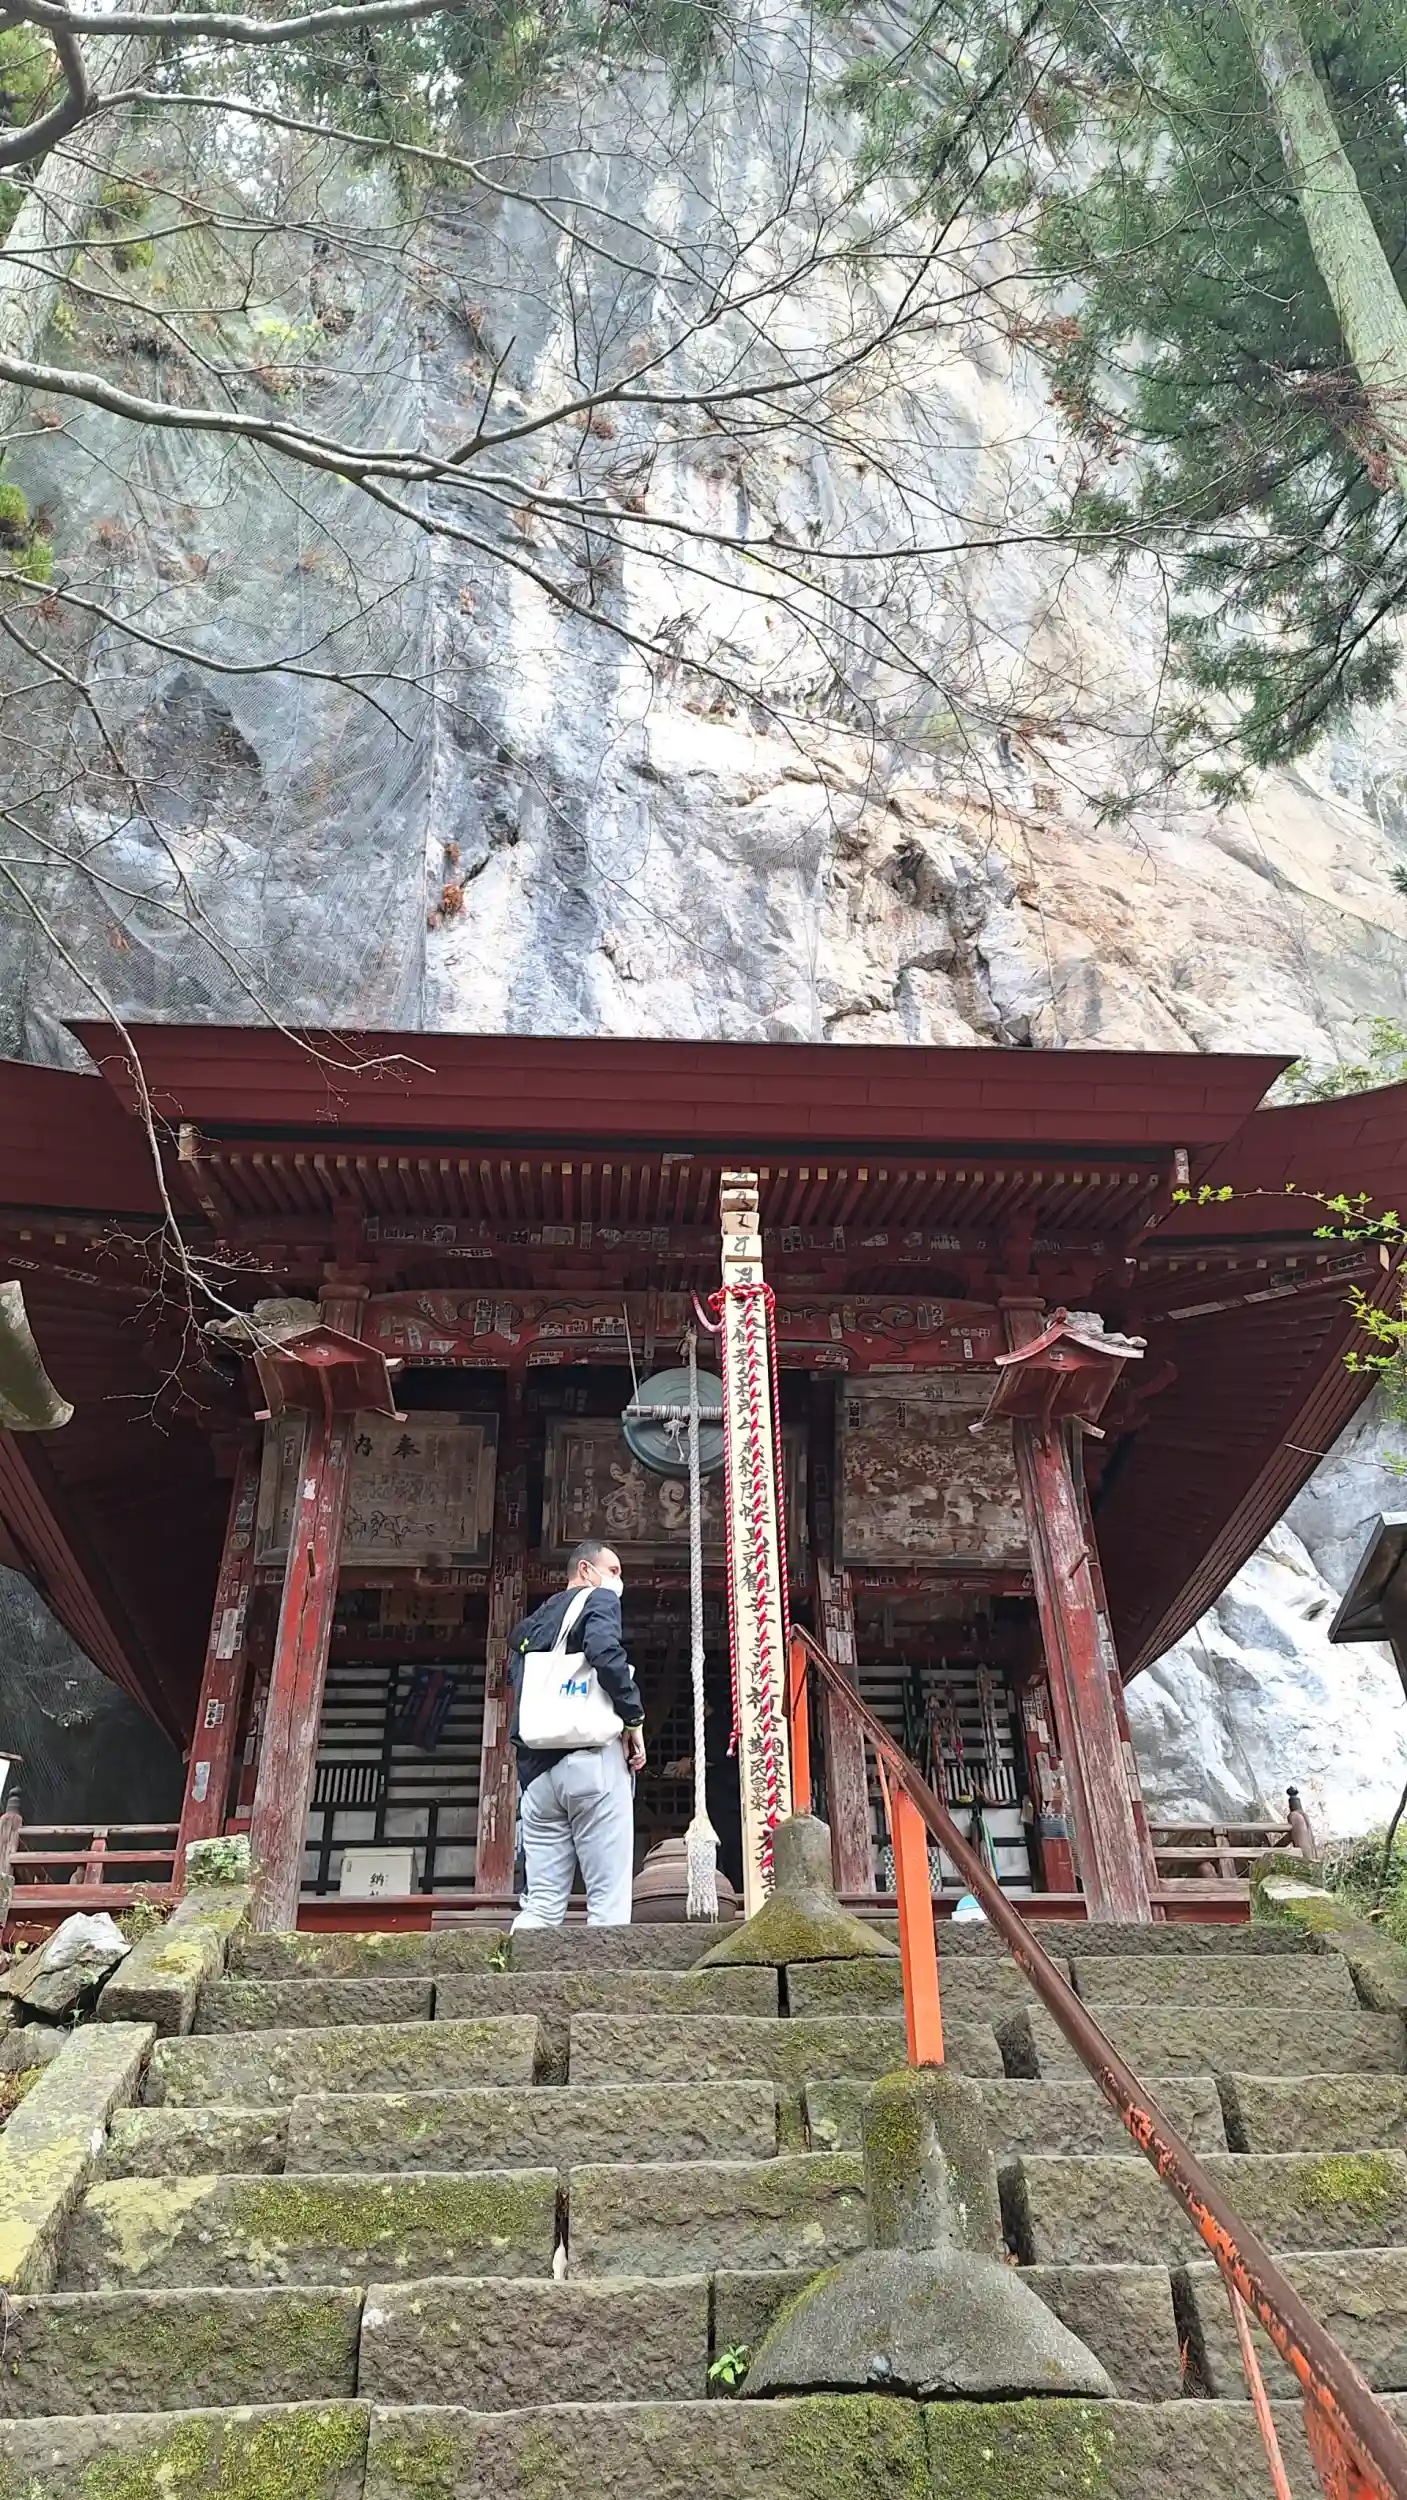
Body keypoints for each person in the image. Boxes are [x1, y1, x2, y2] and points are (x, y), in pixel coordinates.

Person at [507, 1538, 646, 1928]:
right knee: (608, 1902)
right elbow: (604, 1651)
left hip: (537, 1775)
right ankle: (606, 1970)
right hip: (590, 1759)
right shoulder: (599, 1599)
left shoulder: (533, 1624)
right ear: (586, 1570)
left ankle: (515, 1965)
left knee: (541, 1905)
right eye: (613, 1570)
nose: (618, 1580)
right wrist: (633, 1717)